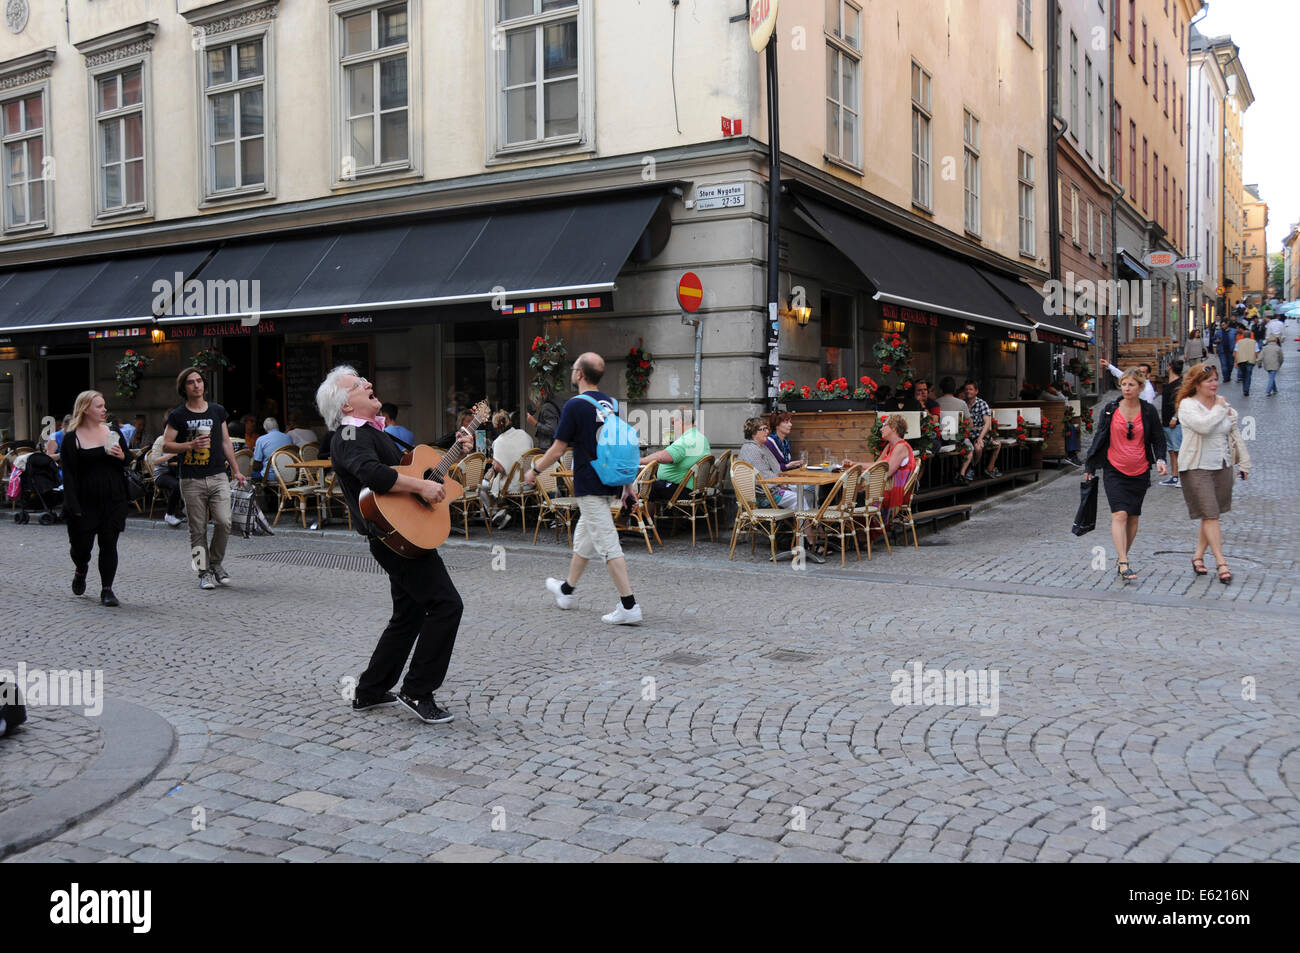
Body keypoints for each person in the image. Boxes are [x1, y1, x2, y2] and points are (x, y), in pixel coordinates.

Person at [320, 366, 470, 724]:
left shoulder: (375, 433)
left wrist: (456, 453)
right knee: (447, 605)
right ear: (345, 406)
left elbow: (414, 470)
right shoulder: (350, 435)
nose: (368, 383)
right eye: (358, 385)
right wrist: (420, 489)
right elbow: (373, 474)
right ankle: (418, 690)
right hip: (394, 536)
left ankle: (370, 689)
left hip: (401, 531)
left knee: (409, 613)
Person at [524, 352, 643, 625]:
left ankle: (629, 605)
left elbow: (557, 449)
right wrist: (628, 487)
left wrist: (534, 470)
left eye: (574, 367)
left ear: (579, 374)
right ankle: (566, 591)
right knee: (585, 538)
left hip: (589, 484)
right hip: (611, 481)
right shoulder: (612, 404)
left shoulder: (574, 406)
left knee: (607, 544)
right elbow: (620, 450)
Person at [162, 367, 248, 591]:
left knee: (224, 522)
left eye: (199, 381)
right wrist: (189, 445)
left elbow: (225, 442)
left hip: (218, 475)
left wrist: (236, 470)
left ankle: (216, 563)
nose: (196, 385)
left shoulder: (217, 411)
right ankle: (203, 572)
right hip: (191, 479)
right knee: (197, 529)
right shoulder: (178, 416)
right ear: (184, 388)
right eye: (191, 382)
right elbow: (166, 444)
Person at [1083, 369, 1168, 583]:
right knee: (1119, 514)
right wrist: (1090, 466)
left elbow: (1158, 438)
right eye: (1123, 384)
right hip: (1114, 468)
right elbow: (1100, 437)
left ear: (1140, 388)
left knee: (1133, 517)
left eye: (1131, 385)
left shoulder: (1148, 411)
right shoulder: (1111, 409)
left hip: (1140, 470)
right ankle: (1123, 562)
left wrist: (1160, 459)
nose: (1127, 388)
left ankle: (1124, 556)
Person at [1177, 363, 1249, 584]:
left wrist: (1244, 462)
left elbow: (1235, 435)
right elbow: (1204, 426)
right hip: (1196, 467)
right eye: (1209, 380)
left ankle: (1198, 556)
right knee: (1210, 515)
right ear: (1197, 384)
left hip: (1222, 465)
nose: (1214, 384)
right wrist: (1219, 408)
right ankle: (1221, 563)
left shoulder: (1225, 407)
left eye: (1216, 379)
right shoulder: (1187, 406)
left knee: (1211, 515)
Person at [61, 391, 129, 607]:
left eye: (104, 405)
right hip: (84, 500)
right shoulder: (72, 438)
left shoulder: (112, 432)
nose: (104, 410)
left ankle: (107, 589)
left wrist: (122, 457)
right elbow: (69, 475)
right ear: (85, 409)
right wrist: (73, 505)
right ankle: (81, 569)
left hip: (112, 498)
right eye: (99, 406)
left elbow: (126, 460)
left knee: (109, 543)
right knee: (81, 547)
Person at [737, 417, 821, 562]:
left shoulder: (761, 446)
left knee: (808, 494)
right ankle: (812, 543)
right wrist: (782, 483)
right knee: (799, 499)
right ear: (752, 433)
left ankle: (807, 538)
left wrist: (782, 482)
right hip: (763, 496)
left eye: (766, 429)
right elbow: (764, 477)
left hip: (770, 489)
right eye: (762, 429)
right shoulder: (752, 450)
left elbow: (772, 472)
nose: (766, 432)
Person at [843, 413, 915, 531]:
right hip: (884, 488)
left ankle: (855, 533)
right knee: (850, 493)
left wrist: (863, 476)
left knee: (853, 496)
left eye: (884, 425)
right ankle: (852, 533)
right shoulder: (890, 446)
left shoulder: (901, 447)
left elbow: (888, 472)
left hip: (893, 492)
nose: (881, 429)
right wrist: (855, 464)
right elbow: (877, 466)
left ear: (894, 428)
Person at [640, 406, 711, 512]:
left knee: (646, 487)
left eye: (673, 422)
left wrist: (640, 460)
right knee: (654, 485)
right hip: (695, 489)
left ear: (681, 421)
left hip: (683, 490)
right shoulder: (700, 437)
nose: (673, 426)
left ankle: (644, 523)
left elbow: (662, 457)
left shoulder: (687, 439)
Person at [482, 409, 533, 529]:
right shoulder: (524, 434)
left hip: (513, 485)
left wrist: (494, 464)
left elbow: (500, 469)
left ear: (495, 427)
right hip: (529, 482)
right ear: (509, 421)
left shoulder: (498, 442)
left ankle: (497, 512)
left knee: (483, 486)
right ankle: (503, 509)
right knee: (496, 483)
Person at [763, 411, 814, 509]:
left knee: (811, 490)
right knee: (807, 491)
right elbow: (769, 467)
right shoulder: (769, 442)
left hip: (787, 480)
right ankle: (806, 522)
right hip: (776, 484)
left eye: (790, 422)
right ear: (777, 425)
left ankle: (805, 521)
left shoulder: (785, 443)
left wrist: (794, 465)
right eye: (786, 422)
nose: (790, 425)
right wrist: (788, 466)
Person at [956, 380, 999, 482]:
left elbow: (987, 423)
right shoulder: (963, 403)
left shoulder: (982, 404)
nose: (968, 391)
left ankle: (972, 468)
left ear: (976, 391)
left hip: (980, 434)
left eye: (970, 389)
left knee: (978, 448)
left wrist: (980, 438)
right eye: (966, 389)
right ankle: (960, 471)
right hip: (966, 435)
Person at [148, 434, 184, 526]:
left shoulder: (182, 440)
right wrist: (171, 454)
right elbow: (154, 460)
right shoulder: (161, 440)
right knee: (177, 485)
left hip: (177, 472)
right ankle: (169, 514)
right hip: (162, 474)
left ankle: (188, 512)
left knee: (193, 482)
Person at [1158, 358, 1184, 487]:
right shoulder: (1169, 383)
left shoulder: (1179, 384)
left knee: (1178, 450)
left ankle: (1181, 477)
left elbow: (1181, 402)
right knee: (1171, 450)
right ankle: (1174, 476)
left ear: (1169, 367)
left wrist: (1175, 417)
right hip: (1166, 421)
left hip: (1175, 422)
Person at [252, 417, 294, 482]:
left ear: (265, 428)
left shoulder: (261, 439)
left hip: (270, 476)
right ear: (277, 426)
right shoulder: (288, 437)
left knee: (248, 473)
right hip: (289, 474)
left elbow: (256, 463)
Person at [1233, 331, 1258, 396]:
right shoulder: (1254, 342)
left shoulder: (1239, 342)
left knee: (1244, 375)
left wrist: (1235, 362)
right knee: (1248, 375)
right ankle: (1246, 389)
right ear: (1250, 336)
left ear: (1243, 336)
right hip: (1250, 361)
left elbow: (1235, 352)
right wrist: (1258, 360)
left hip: (1241, 360)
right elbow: (1257, 352)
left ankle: (1245, 389)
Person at [1212, 319, 1237, 383]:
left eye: (1223, 325)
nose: (1222, 326)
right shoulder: (1219, 332)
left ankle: (1228, 375)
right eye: (1221, 325)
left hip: (1231, 350)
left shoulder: (1233, 331)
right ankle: (1225, 377)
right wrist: (1217, 341)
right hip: (1222, 351)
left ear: (1227, 324)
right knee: (1224, 365)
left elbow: (1237, 339)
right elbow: (1214, 340)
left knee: (1230, 364)